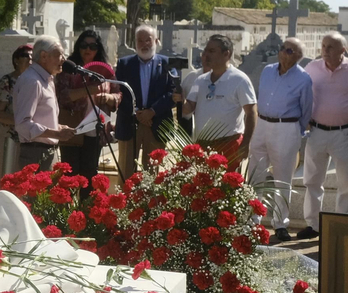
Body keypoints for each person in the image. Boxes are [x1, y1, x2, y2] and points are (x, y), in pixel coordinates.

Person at [298, 31, 348, 239]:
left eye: (330, 47)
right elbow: (299, 90)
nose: (325, 51)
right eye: (323, 47)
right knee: (313, 181)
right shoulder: (312, 68)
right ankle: (313, 225)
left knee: (345, 183)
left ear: (343, 49)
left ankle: (341, 224)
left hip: (345, 133)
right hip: (316, 131)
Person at [246, 37, 314, 242]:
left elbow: (307, 109)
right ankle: (252, 222)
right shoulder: (267, 71)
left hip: (287, 127)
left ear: (299, 57)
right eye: (283, 48)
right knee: (255, 174)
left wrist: (294, 130)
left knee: (282, 179)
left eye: (290, 51)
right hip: (262, 124)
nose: (284, 53)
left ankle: (280, 224)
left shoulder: (304, 79)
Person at [55, 30, 120, 181]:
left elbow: (118, 94)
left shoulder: (105, 69)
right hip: (72, 127)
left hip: (95, 130)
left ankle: (87, 205)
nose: (88, 50)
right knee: (70, 175)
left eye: (93, 46)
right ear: (78, 46)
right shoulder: (68, 68)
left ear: (99, 49)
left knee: (90, 175)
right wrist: (88, 90)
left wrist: (108, 97)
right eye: (84, 45)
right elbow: (62, 96)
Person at [180, 34, 256, 161]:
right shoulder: (199, 80)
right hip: (202, 146)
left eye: (212, 51)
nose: (206, 55)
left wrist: (246, 143)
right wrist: (180, 98)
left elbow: (251, 113)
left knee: (226, 181)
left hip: (229, 145)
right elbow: (188, 108)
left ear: (226, 54)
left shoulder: (240, 80)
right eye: (206, 51)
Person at [114, 26, 172, 179]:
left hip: (156, 123)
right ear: (135, 43)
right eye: (140, 40)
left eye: (148, 40)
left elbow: (172, 92)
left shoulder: (167, 64)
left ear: (156, 41)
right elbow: (119, 91)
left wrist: (152, 112)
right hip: (129, 124)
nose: (144, 44)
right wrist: (138, 113)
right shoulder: (124, 64)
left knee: (152, 174)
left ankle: (149, 202)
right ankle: (124, 202)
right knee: (126, 172)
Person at [13, 36, 77, 171]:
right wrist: (56, 134)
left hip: (46, 151)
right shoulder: (32, 81)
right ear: (43, 56)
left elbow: (41, 117)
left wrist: (58, 127)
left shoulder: (46, 79)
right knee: (36, 193)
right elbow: (22, 124)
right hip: (35, 154)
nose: (64, 60)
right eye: (59, 55)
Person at [0, 45, 32, 189]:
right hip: (8, 137)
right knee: (4, 179)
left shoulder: (33, 82)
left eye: (33, 56)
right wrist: (21, 122)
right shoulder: (7, 81)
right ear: (16, 60)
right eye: (26, 55)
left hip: (28, 138)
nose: (30, 59)